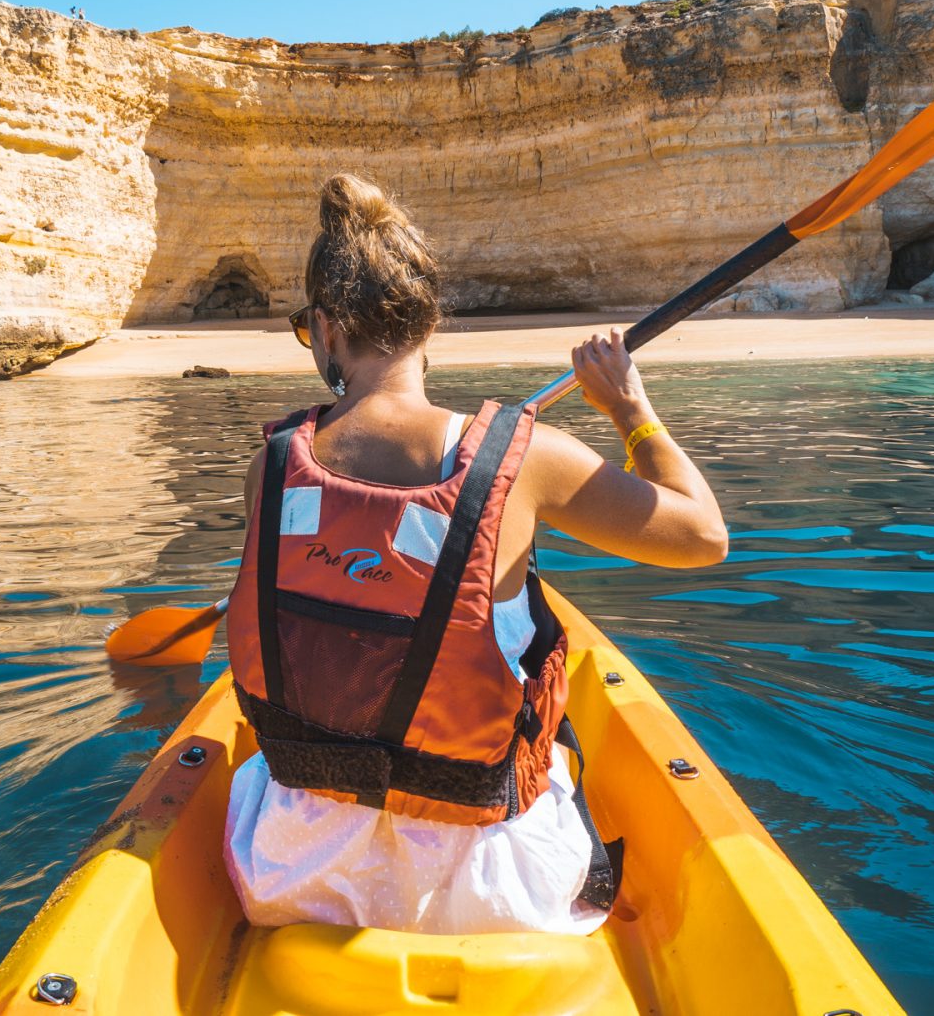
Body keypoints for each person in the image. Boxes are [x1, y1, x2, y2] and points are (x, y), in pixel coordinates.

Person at [223, 173, 728, 935]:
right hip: (486, 889)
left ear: (326, 329)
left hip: (294, 866)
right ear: (428, 326)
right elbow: (702, 535)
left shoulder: (271, 465)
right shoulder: (525, 463)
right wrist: (630, 408)